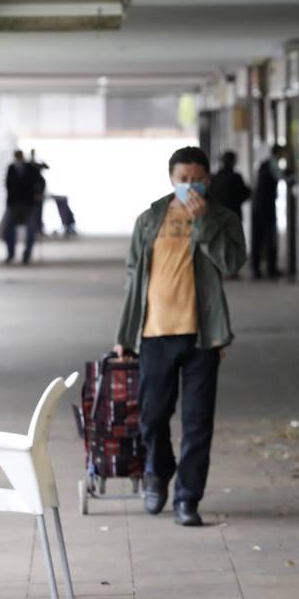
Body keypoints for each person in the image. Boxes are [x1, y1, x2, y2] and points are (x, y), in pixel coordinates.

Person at [114, 146, 246, 527]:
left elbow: (233, 263)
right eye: (183, 179)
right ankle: (158, 470)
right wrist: (124, 333)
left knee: (197, 422)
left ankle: (188, 498)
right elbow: (132, 278)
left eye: (197, 180)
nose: (190, 186)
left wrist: (204, 225)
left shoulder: (222, 217)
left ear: (207, 180)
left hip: (203, 335)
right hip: (155, 333)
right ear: (171, 179)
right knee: (152, 417)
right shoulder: (150, 219)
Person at [250, 145, 287, 279]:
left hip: (258, 206)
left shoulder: (263, 164)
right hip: (266, 207)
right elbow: (283, 177)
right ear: (279, 153)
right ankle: (271, 269)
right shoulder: (273, 164)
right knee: (270, 238)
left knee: (257, 239)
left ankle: (256, 270)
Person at [1, 150, 39, 264]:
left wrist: (38, 193)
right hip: (13, 204)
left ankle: (27, 254)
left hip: (28, 204)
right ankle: (10, 253)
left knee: (31, 230)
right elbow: (7, 185)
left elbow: (40, 181)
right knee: (7, 229)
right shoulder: (11, 168)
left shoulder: (30, 168)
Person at [210, 151, 252, 220]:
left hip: (217, 216)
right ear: (233, 162)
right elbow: (245, 194)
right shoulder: (236, 177)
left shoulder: (214, 177)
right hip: (233, 215)